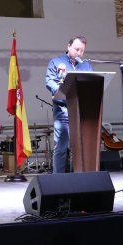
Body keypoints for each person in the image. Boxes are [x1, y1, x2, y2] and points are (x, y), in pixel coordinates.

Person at [45, 36, 93, 173]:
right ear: (68, 47)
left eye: (82, 50)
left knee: (80, 145)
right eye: (77, 49)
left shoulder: (86, 65)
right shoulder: (56, 62)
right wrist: (62, 91)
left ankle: (80, 177)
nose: (79, 53)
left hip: (81, 110)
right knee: (61, 145)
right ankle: (58, 179)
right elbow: (49, 81)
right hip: (63, 109)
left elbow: (90, 82)